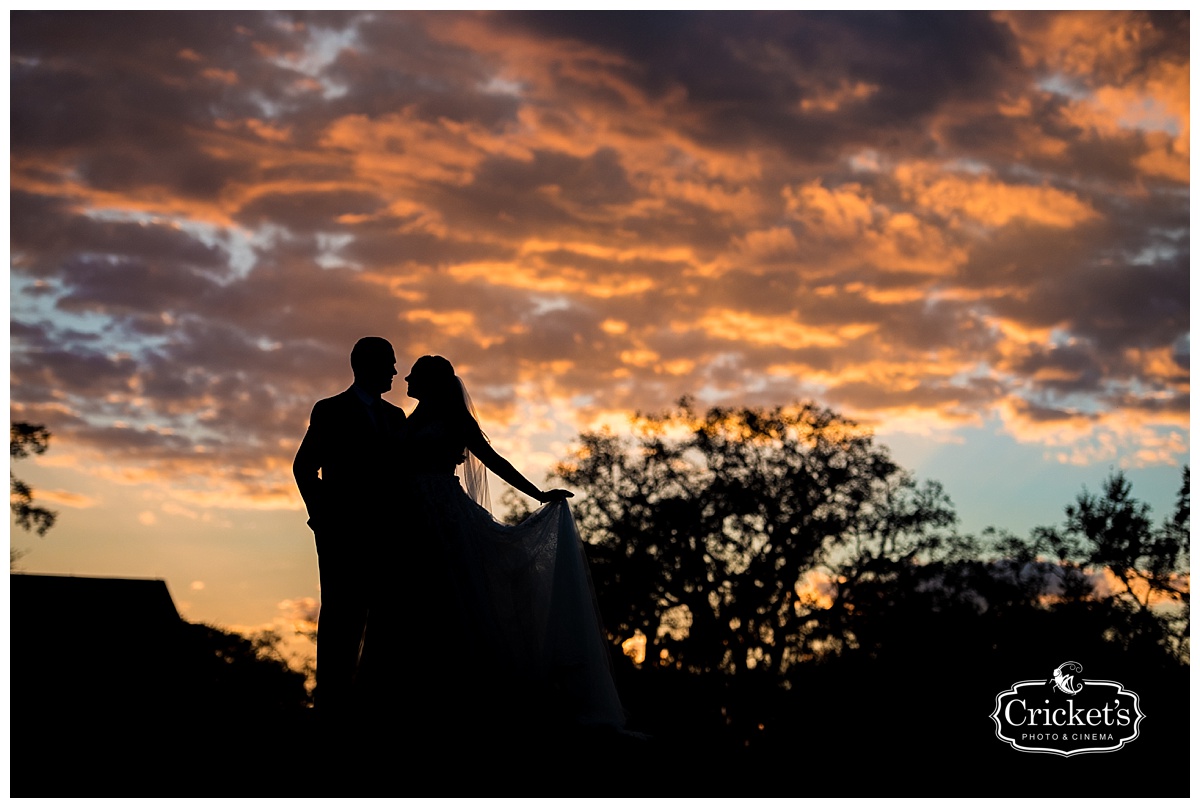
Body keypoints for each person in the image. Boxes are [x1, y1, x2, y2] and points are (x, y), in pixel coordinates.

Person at [359, 354, 626, 742]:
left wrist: (537, 493)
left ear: (430, 382)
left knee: (452, 595)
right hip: (409, 515)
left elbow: (493, 459)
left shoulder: (455, 419)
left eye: (414, 374)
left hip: (442, 512)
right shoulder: (403, 419)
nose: (406, 378)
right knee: (411, 599)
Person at [293, 337, 407, 724]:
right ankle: (330, 705)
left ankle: (370, 705)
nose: (395, 371)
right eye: (389, 363)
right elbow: (304, 467)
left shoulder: (396, 418)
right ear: (365, 365)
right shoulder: (330, 410)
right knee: (341, 613)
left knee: (384, 617)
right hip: (341, 534)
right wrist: (322, 519)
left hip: (387, 536)